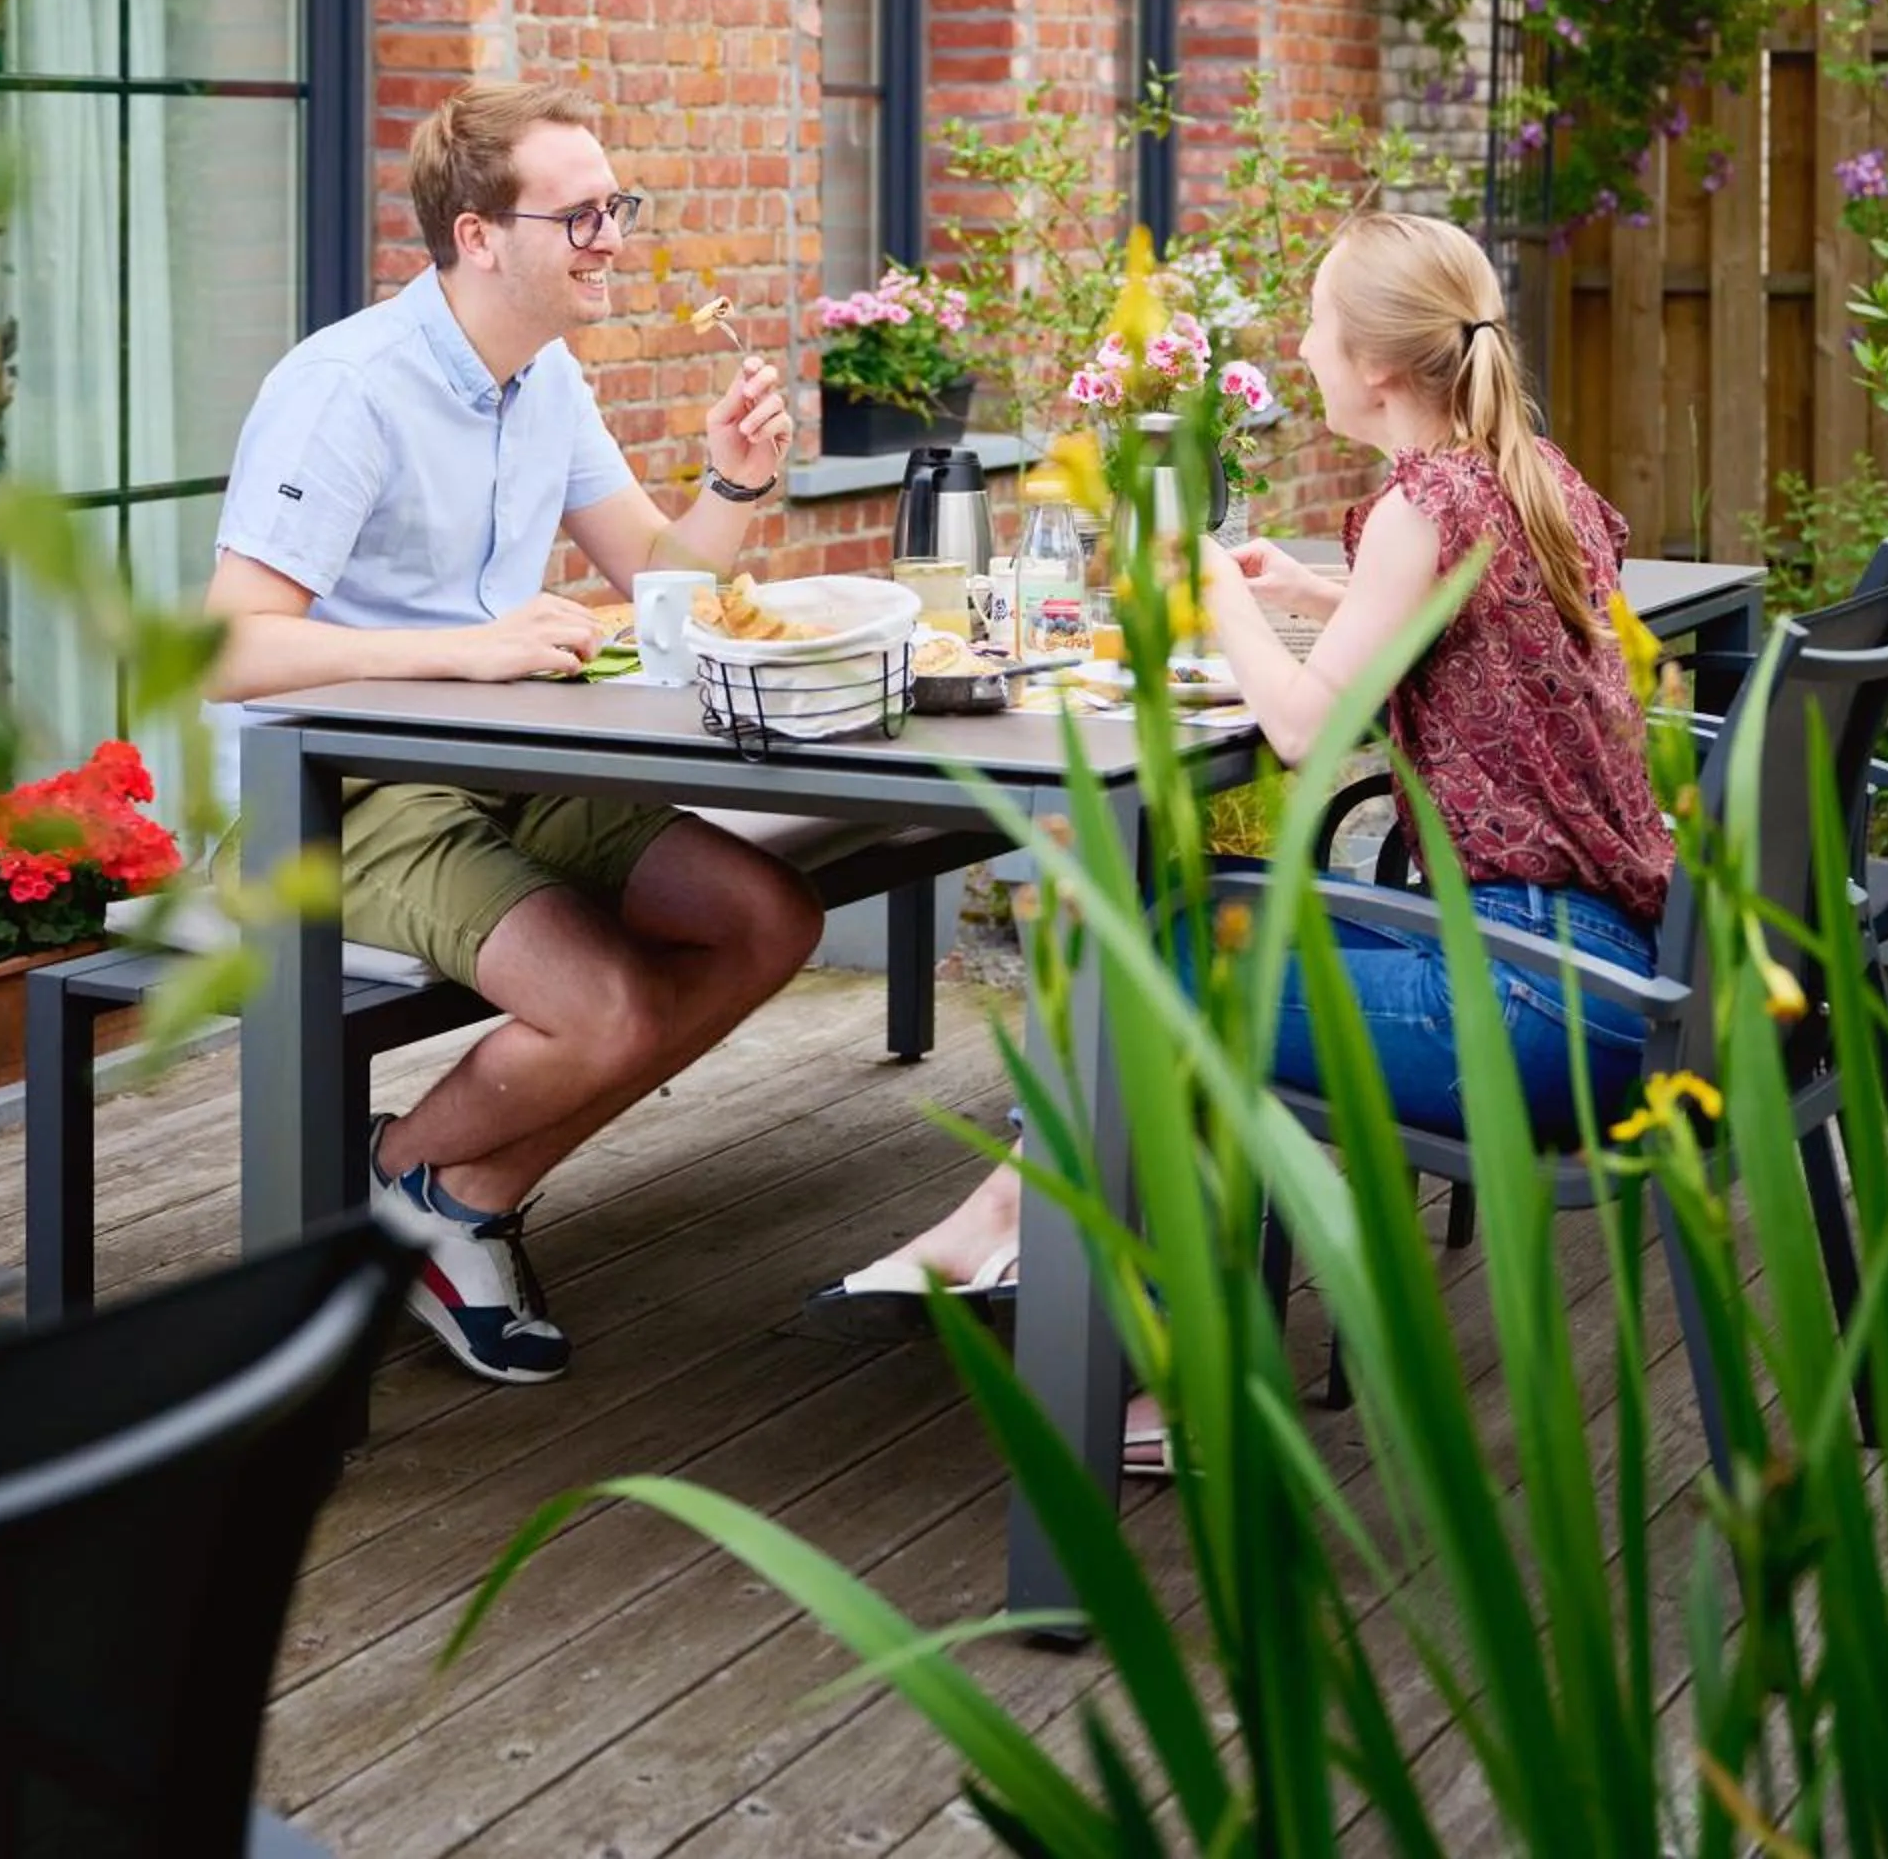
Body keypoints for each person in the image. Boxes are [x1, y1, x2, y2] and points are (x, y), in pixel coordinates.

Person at [813, 209, 1672, 1345]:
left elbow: (1303, 731)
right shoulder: (1520, 475)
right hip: (1603, 976)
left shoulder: (1421, 506)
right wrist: (1317, 596)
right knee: (1184, 916)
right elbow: (1488, 621)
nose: (1303, 347)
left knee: (1151, 970)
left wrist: (1216, 588)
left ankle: (1134, 1338)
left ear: (1375, 366)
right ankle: (1030, 1231)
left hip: (1526, 1008)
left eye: (1314, 323)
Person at [206, 78, 825, 1387]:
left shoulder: (543, 379)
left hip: (507, 758)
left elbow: (659, 580)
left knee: (767, 919)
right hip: (336, 788)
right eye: (580, 216)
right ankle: (408, 1196)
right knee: (602, 1007)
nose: (613, 239)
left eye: (616, 207)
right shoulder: (347, 389)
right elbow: (231, 650)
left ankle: (440, 1195)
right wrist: (463, 646)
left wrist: (734, 481)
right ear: (478, 237)